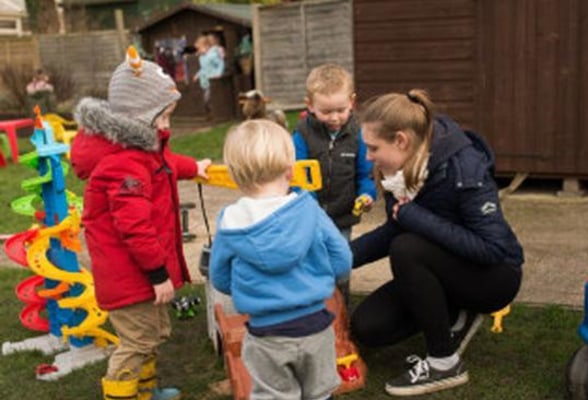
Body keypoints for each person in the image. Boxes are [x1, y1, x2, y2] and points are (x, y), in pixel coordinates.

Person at [349, 90, 524, 396]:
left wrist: (415, 218)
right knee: (368, 327)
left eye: (373, 147)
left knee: (407, 248)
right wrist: (338, 257)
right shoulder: (398, 171)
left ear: (401, 140)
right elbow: (395, 227)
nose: (368, 157)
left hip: (495, 278)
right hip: (448, 268)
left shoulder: (465, 169)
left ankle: (444, 362)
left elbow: (492, 248)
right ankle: (457, 312)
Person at [70, 46, 211, 400]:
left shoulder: (140, 149)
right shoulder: (123, 164)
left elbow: (164, 163)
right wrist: (158, 275)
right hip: (131, 275)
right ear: (136, 117)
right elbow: (134, 228)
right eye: (162, 118)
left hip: (138, 273)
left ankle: (145, 391)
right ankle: (120, 394)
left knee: (152, 334)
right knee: (137, 341)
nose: (166, 125)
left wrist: (194, 167)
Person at [209, 119, 352, 400]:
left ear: (235, 177)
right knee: (320, 392)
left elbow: (220, 277)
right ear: (290, 170)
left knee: (273, 394)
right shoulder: (310, 210)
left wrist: (245, 290)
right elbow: (342, 259)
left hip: (265, 332)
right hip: (316, 324)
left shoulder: (231, 222)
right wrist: (322, 276)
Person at [292, 63, 377, 304]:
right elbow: (298, 177)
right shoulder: (302, 135)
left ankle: (341, 315)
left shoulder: (358, 134)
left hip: (342, 217)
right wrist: (309, 206)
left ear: (352, 102)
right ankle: (312, 310)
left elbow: (365, 175)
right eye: (326, 111)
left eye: (341, 110)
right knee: (311, 264)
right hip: (309, 217)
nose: (335, 117)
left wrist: (367, 195)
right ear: (310, 105)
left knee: (340, 266)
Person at [193, 34, 225, 114]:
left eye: (200, 48)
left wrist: (219, 73)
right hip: (205, 81)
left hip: (212, 79)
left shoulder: (212, 56)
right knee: (207, 98)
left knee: (208, 98)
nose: (198, 51)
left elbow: (220, 64)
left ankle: (213, 112)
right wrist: (198, 75)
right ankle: (211, 113)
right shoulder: (202, 57)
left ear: (206, 46)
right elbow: (203, 68)